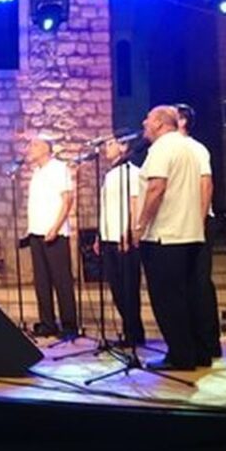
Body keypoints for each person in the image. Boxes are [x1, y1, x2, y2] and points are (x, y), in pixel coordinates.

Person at [133, 106, 206, 371]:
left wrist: (140, 224)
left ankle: (180, 355)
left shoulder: (162, 148)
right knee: (189, 296)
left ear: (160, 124)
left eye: (148, 119)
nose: (144, 123)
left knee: (167, 299)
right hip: (189, 232)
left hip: (165, 235)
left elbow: (156, 188)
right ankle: (199, 352)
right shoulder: (190, 147)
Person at [175, 103, 222, 359]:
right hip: (180, 223)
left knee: (200, 282)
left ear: (182, 121)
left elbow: (206, 184)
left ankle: (208, 342)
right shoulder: (171, 149)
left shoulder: (195, 148)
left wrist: (200, 219)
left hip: (198, 221)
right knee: (184, 283)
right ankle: (190, 341)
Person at [25, 134, 77, 339]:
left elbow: (67, 199)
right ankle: (47, 323)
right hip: (36, 232)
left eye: (35, 144)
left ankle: (69, 325)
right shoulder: (36, 172)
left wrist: (56, 227)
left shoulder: (59, 168)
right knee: (42, 281)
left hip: (55, 232)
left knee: (61, 280)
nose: (30, 148)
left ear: (47, 148)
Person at [95, 138, 145, 347]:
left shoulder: (132, 172)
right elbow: (106, 206)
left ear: (123, 146)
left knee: (128, 288)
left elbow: (135, 203)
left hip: (123, 237)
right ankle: (128, 330)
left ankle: (134, 333)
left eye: (111, 144)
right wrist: (99, 235)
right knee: (116, 288)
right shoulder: (110, 174)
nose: (106, 148)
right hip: (109, 236)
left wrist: (130, 232)